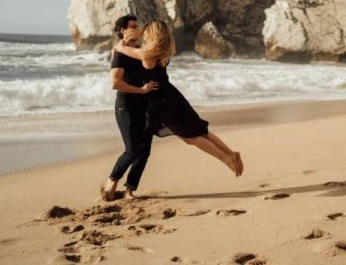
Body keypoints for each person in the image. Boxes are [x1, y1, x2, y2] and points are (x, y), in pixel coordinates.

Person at [114, 19, 244, 177]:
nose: (143, 34)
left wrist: (120, 44)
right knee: (201, 131)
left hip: (164, 103)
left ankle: (226, 159)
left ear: (153, 34)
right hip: (174, 97)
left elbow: (122, 49)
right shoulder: (161, 52)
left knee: (192, 138)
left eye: (146, 32)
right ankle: (231, 153)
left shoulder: (147, 54)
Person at [100, 14, 159, 202]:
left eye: (137, 25)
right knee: (132, 150)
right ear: (122, 31)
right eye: (132, 26)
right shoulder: (119, 53)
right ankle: (112, 180)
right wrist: (141, 91)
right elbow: (115, 83)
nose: (136, 28)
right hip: (126, 107)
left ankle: (130, 189)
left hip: (146, 107)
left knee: (145, 151)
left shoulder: (142, 51)